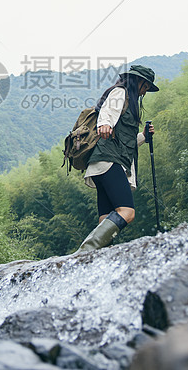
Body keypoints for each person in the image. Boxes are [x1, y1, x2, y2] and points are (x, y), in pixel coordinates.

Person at [76, 64, 159, 252]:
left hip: (102, 164)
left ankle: (97, 255)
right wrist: (104, 124)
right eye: (145, 87)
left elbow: (124, 141)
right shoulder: (120, 93)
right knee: (127, 212)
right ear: (138, 81)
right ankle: (86, 250)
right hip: (109, 161)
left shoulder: (130, 102)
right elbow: (107, 113)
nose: (144, 92)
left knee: (105, 218)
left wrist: (144, 136)